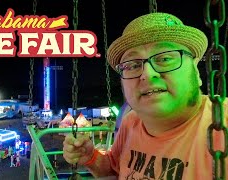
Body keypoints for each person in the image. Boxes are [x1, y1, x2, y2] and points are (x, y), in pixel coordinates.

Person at [62, 12, 228, 179]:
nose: (147, 74)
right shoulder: (131, 122)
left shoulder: (222, 125)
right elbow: (115, 170)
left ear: (196, 72)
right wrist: (90, 157)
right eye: (133, 65)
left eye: (164, 58)